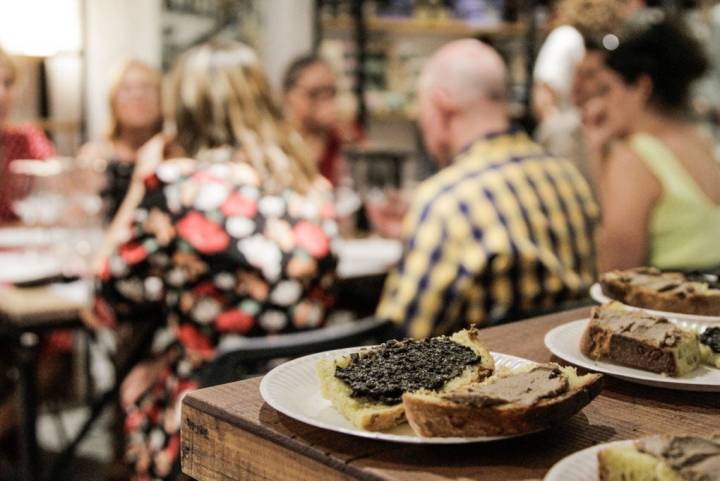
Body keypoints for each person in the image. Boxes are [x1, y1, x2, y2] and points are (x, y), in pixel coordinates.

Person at [86, 40, 338, 481]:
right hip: (301, 405)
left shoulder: (178, 186)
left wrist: (141, 181)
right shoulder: (309, 183)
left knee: (140, 379)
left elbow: (103, 302)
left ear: (182, 111)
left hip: (210, 413)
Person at [376, 39, 598, 339]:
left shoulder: (447, 201)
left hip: (484, 379)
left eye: (421, 112)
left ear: (441, 108)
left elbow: (400, 341)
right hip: (563, 374)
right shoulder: (568, 176)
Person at [583, 20, 720, 272]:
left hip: (667, 305)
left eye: (608, 89)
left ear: (641, 87)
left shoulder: (635, 158)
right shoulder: (702, 140)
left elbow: (616, 272)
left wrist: (599, 153)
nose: (601, 104)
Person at [79, 59, 163, 220]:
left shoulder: (175, 154)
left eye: (146, 88)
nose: (138, 96)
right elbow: (82, 218)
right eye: (127, 89)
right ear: (112, 100)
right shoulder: (95, 157)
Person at [0, 46, 55, 223]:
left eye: (7, 83)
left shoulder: (26, 139)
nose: (2, 94)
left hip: (18, 243)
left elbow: (57, 186)